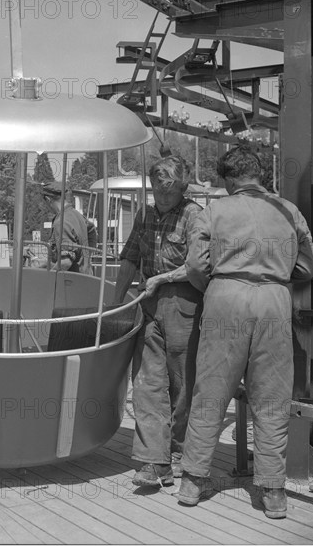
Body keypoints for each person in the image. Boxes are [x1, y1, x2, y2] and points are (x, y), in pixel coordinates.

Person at [179, 146, 313, 519]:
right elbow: (308, 265)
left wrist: (214, 286)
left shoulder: (215, 210)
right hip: (274, 299)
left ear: (228, 180)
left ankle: (192, 480)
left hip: (226, 295)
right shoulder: (288, 210)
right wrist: (278, 274)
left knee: (210, 390)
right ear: (259, 175)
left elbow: (195, 263)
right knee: (271, 398)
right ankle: (272, 492)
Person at [113, 155, 203, 487]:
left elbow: (197, 267)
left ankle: (179, 452)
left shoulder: (195, 216)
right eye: (157, 191)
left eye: (170, 191)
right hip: (149, 302)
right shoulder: (145, 214)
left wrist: (162, 279)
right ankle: (153, 460)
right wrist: (113, 305)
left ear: (183, 187)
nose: (162, 198)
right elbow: (130, 259)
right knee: (147, 383)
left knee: (182, 382)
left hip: (184, 302)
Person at [30, 181, 94, 274]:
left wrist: (50, 278)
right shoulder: (77, 215)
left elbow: (65, 262)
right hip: (86, 277)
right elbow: (92, 230)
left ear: (48, 199)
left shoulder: (61, 222)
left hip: (72, 282)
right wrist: (86, 258)